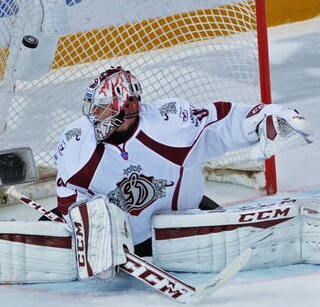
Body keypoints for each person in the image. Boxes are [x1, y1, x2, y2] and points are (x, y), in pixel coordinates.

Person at [52, 66, 311, 257]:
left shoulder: (169, 126)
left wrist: (267, 119)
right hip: (121, 239)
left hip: (182, 231)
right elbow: (68, 189)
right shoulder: (77, 141)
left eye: (102, 108)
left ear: (125, 107)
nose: (94, 116)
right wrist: (88, 232)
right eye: (93, 108)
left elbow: (221, 122)